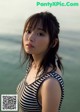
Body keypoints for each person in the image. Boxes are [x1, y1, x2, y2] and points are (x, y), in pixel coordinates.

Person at [16, 11, 64, 112]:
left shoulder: (50, 83)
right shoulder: (34, 64)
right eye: (28, 31)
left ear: (53, 42)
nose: (30, 38)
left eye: (40, 34)